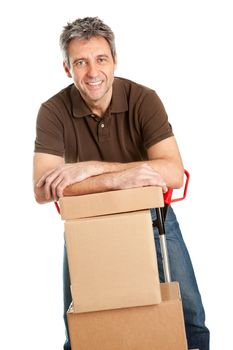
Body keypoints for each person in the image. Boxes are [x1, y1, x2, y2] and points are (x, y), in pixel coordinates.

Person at [33, 17, 210, 350]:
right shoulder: (53, 111)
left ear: (114, 60)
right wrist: (126, 177)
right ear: (67, 69)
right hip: (87, 222)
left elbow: (172, 172)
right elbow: (43, 189)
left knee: (187, 317)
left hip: (153, 218)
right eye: (80, 62)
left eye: (101, 59)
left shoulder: (144, 99)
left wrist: (89, 169)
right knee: (81, 321)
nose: (92, 72)